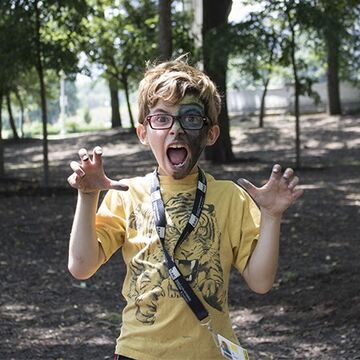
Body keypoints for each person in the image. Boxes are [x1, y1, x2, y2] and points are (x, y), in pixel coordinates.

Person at [67, 57, 303, 360]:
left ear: (211, 133)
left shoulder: (231, 197)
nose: (175, 130)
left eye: (190, 118)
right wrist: (87, 196)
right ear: (143, 133)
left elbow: (260, 282)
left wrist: (271, 217)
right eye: (162, 119)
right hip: (137, 353)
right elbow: (81, 266)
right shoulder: (127, 194)